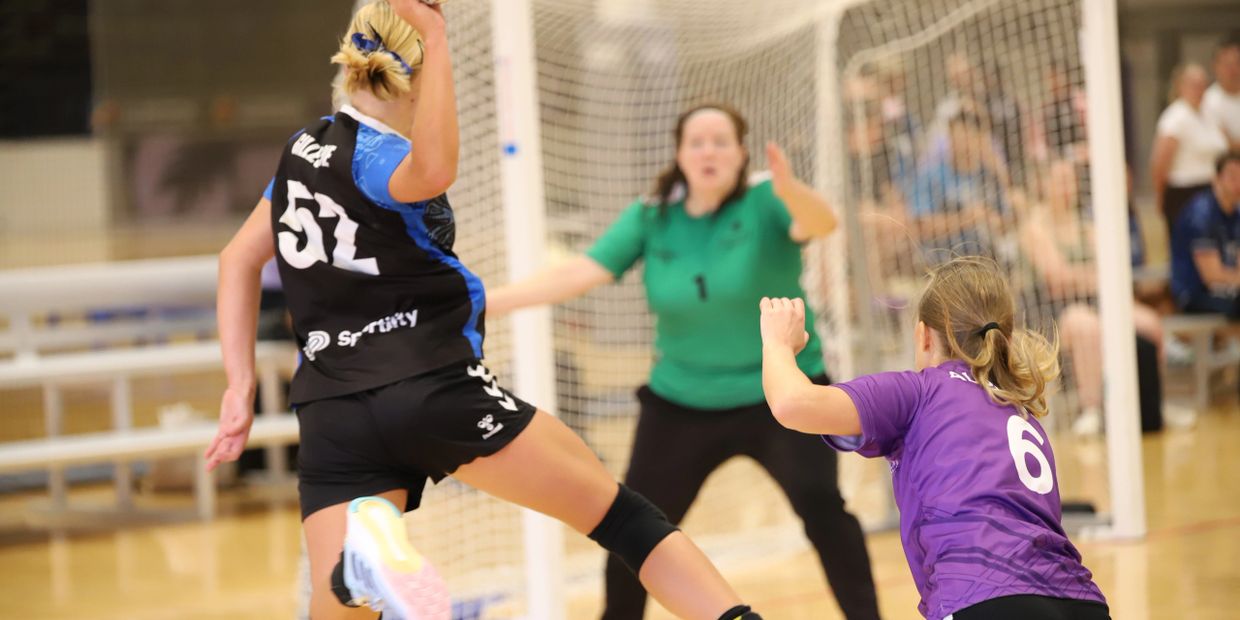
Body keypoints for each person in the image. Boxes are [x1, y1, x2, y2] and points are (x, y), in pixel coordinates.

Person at [203, 3, 763, 619]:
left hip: (333, 411)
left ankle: (355, 573)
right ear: (418, 81)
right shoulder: (383, 159)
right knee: (622, 516)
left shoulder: (302, 149)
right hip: (432, 387)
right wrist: (440, 37)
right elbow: (436, 167)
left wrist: (240, 385)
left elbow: (237, 259)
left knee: (337, 608)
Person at [487, 103, 881, 620]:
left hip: (781, 393)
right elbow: (582, 272)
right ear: (679, 154)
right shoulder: (652, 216)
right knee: (629, 521)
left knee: (822, 506)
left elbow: (821, 222)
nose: (709, 151)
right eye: (697, 142)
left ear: (742, 154)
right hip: (681, 401)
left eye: (721, 141)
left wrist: (792, 190)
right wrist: (486, 301)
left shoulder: (768, 201)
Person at [759, 257, 1110, 620]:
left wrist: (777, 345)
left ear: (924, 335)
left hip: (983, 596)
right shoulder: (1021, 410)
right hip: (1080, 600)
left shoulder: (920, 391)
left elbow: (791, 404)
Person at [1151, 63, 1229, 238]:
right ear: (1180, 86)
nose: (1199, 89)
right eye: (1194, 84)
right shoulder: (1175, 118)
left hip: (1212, 190)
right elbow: (1159, 164)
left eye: (1203, 84)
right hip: (1184, 194)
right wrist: (1160, 196)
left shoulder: (1210, 113)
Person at [1170, 151, 1240, 317]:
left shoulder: (1236, 214)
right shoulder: (1201, 214)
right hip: (1194, 294)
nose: (1237, 183)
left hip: (1227, 291)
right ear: (1216, 178)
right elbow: (1212, 276)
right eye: (1232, 176)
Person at [1204, 36, 1240, 152]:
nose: (1232, 70)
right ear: (1215, 66)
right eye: (1226, 64)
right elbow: (1223, 143)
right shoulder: (1207, 101)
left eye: (1236, 63)